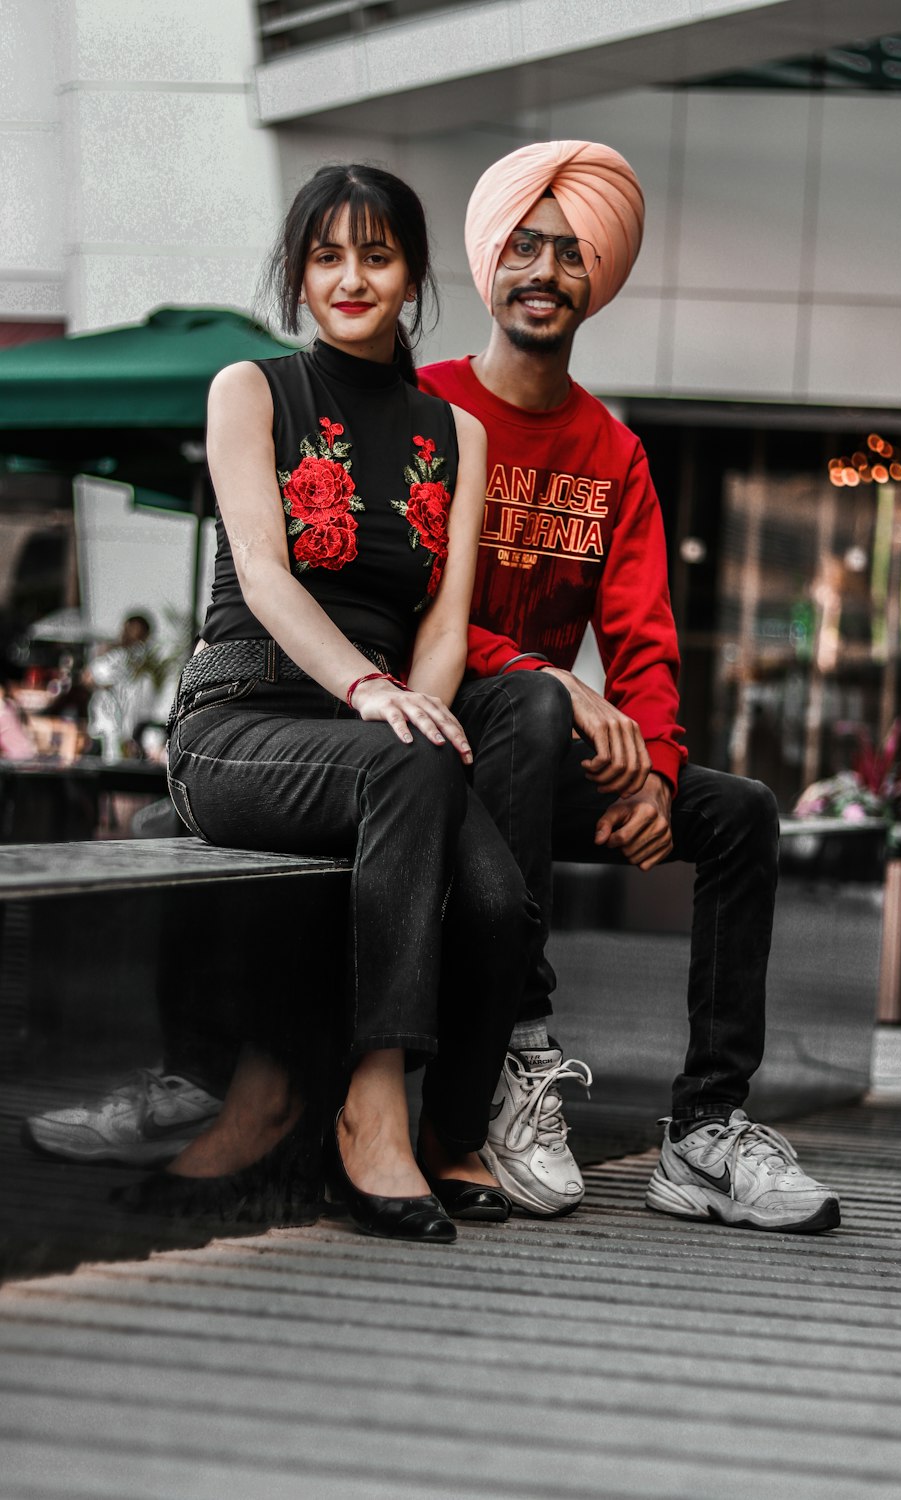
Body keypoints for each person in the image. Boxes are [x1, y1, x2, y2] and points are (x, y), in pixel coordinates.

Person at [418, 140, 841, 1233]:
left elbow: (645, 643)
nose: (546, 272)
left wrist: (654, 772)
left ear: (595, 278)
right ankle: (519, 1049)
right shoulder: (425, 409)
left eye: (569, 253)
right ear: (489, 264)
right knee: (539, 703)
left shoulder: (613, 453)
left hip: (536, 765)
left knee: (737, 811)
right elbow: (403, 603)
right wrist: (551, 678)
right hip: (421, 747)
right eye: (524, 246)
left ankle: (702, 1131)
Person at [114, 163, 537, 1242]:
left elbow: (444, 626)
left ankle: (440, 1126)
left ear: (412, 276)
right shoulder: (250, 389)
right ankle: (373, 1102)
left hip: (381, 736)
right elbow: (262, 571)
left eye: (376, 254)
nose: (351, 277)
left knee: (493, 901)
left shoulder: (459, 435)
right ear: (299, 273)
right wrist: (366, 693)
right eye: (326, 256)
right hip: (240, 724)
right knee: (410, 770)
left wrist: (412, 713)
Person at [84, 614, 156, 762]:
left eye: (132, 630)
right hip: (111, 726)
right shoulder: (133, 659)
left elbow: (91, 676)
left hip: (114, 728)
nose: (126, 633)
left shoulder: (125, 656)